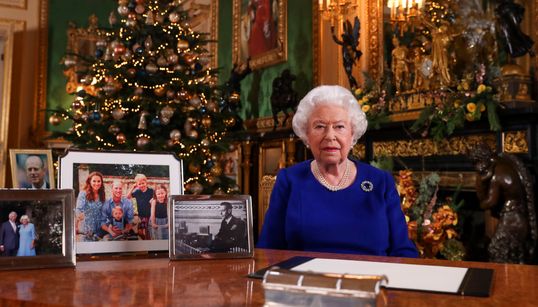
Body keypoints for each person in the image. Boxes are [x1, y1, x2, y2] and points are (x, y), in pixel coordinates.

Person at [257, 85, 418, 257]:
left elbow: (403, 250)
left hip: (371, 281)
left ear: (352, 133)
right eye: (319, 126)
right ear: (306, 134)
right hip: (306, 280)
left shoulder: (380, 182)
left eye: (339, 127)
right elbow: (268, 249)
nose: (330, 136)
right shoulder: (289, 180)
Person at [469, 142, 537, 263]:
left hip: (513, 219)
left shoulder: (497, 175)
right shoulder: (503, 164)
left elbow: (490, 203)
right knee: (514, 256)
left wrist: (481, 182)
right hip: (517, 218)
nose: (477, 168)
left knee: (495, 250)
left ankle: (504, 280)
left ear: (481, 160)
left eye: (475, 163)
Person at [331, 17, 362, 89]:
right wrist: (332, 33)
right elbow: (336, 40)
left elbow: (352, 55)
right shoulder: (344, 44)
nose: (343, 38)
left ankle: (354, 86)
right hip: (345, 61)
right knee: (349, 75)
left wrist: (344, 23)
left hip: (348, 62)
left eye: (344, 37)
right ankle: (354, 86)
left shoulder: (349, 46)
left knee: (349, 75)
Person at [75, 171, 106, 241]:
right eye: (94, 181)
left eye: (99, 181)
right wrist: (77, 222)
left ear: (101, 182)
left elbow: (104, 211)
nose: (97, 183)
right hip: (87, 230)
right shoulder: (83, 193)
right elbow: (78, 209)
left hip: (99, 230)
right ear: (89, 182)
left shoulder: (102, 194)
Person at [128, 174, 154, 240]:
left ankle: (148, 243)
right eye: (139, 184)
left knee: (148, 231)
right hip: (141, 216)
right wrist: (132, 188)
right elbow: (128, 197)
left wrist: (153, 199)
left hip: (149, 215)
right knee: (139, 231)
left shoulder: (151, 191)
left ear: (146, 182)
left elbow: (156, 197)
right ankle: (144, 239)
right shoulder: (137, 192)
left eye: (143, 183)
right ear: (137, 185)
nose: (142, 185)